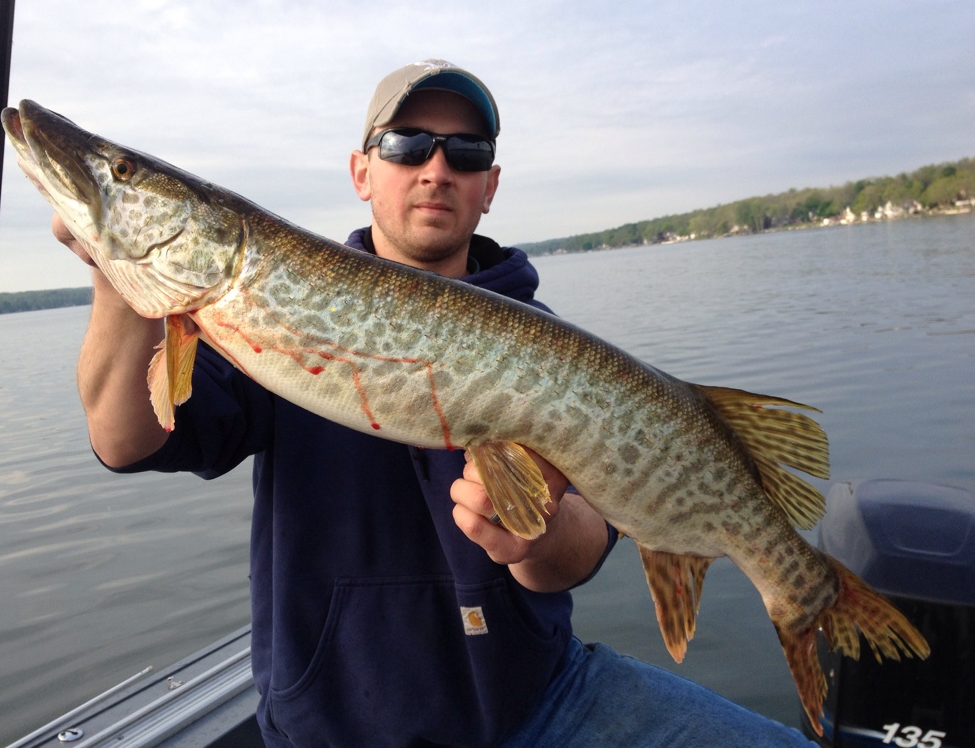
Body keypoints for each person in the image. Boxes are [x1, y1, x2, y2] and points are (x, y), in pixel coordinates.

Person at [53, 59, 817, 747]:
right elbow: (124, 438)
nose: (437, 168)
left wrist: (535, 535)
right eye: (406, 145)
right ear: (362, 171)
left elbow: (580, 551)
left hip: (539, 702)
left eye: (467, 152)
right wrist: (116, 268)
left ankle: (807, 598)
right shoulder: (256, 322)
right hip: (332, 728)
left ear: (489, 186)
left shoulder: (546, 343)